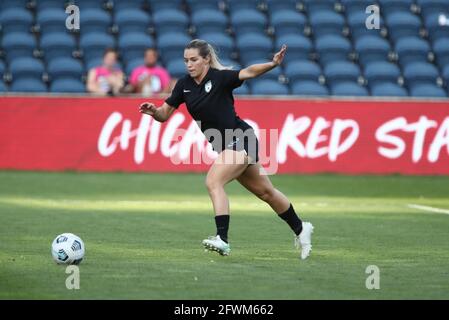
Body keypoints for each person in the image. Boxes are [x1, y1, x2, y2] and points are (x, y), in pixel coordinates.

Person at [139, 39, 314, 260]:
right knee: (266, 192)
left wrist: (273, 64)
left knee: (213, 181)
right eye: (186, 60)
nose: (189, 64)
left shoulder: (219, 77)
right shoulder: (184, 85)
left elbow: (248, 72)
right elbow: (164, 115)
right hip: (225, 145)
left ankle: (222, 239)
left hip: (241, 138)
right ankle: (301, 228)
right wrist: (154, 111)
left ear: (206, 59)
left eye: (194, 60)